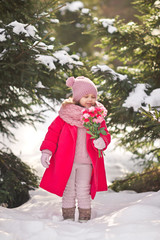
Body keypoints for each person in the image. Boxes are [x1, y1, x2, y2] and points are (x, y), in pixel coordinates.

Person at [40, 76, 111, 222]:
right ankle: (68, 218)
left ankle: (84, 218)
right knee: (69, 190)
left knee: (84, 190)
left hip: (87, 163)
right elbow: (52, 134)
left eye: (93, 96)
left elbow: (106, 135)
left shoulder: (96, 117)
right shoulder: (64, 116)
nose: (90, 99)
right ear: (77, 97)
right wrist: (47, 151)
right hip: (67, 162)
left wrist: (102, 142)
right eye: (86, 96)